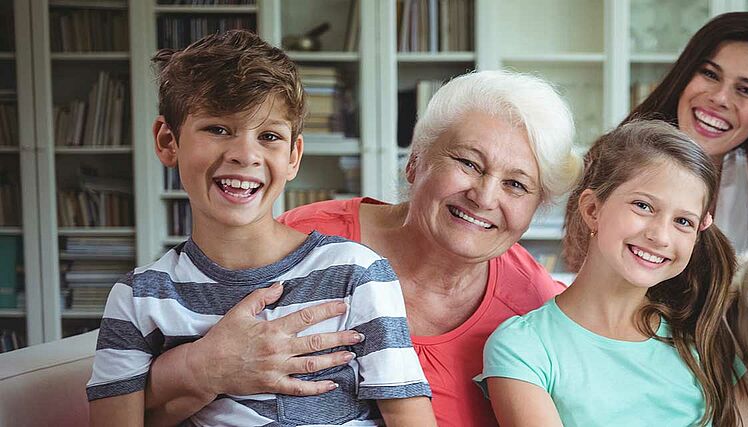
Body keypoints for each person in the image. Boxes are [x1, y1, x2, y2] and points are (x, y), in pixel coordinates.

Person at [140, 70, 581, 426]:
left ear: (535, 209)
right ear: (416, 162)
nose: (485, 197)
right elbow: (139, 402)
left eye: (516, 185)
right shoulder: (304, 242)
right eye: (468, 162)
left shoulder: (534, 305)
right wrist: (203, 366)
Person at [86, 30, 434, 426]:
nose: (245, 155)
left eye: (269, 136)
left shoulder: (357, 273)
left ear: (293, 156)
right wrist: (203, 368)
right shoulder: (138, 298)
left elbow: (410, 416)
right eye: (218, 128)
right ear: (168, 141)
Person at [478, 120, 748, 427]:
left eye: (683, 222)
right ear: (593, 209)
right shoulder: (523, 347)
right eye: (643, 206)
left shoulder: (702, 337)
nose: (660, 236)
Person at [624, 11, 748, 252]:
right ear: (684, 77)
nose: (719, 98)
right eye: (709, 74)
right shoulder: (624, 162)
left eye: (746, 90)